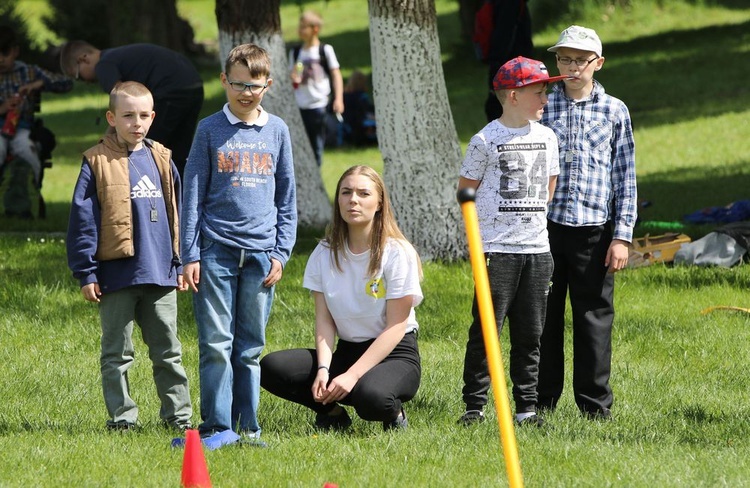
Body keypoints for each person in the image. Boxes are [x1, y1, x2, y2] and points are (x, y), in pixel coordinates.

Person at [181, 44, 297, 445]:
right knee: (216, 343)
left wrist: (281, 251)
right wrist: (189, 255)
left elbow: (287, 197)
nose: (245, 92)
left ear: (269, 84)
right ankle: (216, 427)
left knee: (250, 347)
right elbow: (192, 194)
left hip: (262, 256)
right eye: (237, 84)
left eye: (254, 85)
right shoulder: (209, 129)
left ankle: (247, 428)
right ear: (224, 82)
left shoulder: (278, 131)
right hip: (215, 251)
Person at [66, 81, 192, 432]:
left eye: (142, 115)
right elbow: (83, 221)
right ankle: (122, 419)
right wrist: (86, 272)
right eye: (127, 115)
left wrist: (179, 262)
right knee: (117, 354)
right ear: (112, 117)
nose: (136, 123)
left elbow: (178, 214)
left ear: (152, 117)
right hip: (117, 275)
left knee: (168, 351)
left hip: (160, 273)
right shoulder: (97, 162)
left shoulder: (163, 158)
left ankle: (178, 417)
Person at [261, 165, 423, 431]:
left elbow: (396, 326)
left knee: (370, 397)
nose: (353, 200)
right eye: (346, 193)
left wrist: (353, 375)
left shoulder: (397, 252)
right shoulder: (324, 252)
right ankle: (333, 415)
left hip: (394, 353)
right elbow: (324, 322)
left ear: (379, 202)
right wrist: (324, 369)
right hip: (347, 350)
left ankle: (394, 416)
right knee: (271, 367)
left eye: (363, 193)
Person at [457, 56, 567, 427]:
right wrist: (479, 242)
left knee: (531, 333)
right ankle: (474, 406)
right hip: (496, 250)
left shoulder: (547, 137)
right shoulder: (485, 140)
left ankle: (527, 409)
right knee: (488, 329)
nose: (545, 100)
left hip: (537, 251)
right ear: (514, 95)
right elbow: (466, 192)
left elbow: (549, 188)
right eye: (539, 92)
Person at [537, 25, 637, 420]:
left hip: (595, 230)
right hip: (545, 228)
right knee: (542, 317)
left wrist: (622, 237)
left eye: (581, 60)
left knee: (593, 317)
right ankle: (538, 403)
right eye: (564, 59)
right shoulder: (543, 106)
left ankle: (594, 407)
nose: (572, 67)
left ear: (598, 63)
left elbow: (624, 177)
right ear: (555, 61)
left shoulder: (615, 110)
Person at [58, 41, 204, 176]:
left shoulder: (103, 64)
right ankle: (181, 199)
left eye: (78, 76)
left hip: (169, 92)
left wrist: (106, 139)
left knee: (144, 150)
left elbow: (122, 101)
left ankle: (145, 198)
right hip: (194, 86)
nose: (84, 81)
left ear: (84, 59)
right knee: (177, 153)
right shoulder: (116, 56)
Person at [0, 26, 72, 184]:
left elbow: (66, 82)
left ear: (15, 51)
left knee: (28, 150)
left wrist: (39, 83)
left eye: (5, 53)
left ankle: (30, 193)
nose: (1, 59)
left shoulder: (28, 72)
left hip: (22, 129)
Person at [289, 10, 344, 167]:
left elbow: (336, 75)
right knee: (300, 144)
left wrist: (339, 99)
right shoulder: (295, 52)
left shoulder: (325, 50)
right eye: (299, 26)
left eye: (304, 27)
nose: (300, 30)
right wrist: (293, 78)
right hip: (300, 104)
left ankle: (316, 171)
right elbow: (292, 76)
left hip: (318, 103)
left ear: (315, 29)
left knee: (316, 144)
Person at [483, 0, 533, 122]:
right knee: (502, 105)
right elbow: (504, 32)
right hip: (510, 64)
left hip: (505, 61)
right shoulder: (510, 3)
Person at [342, 70, 376, 146]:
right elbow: (366, 111)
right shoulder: (361, 97)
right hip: (359, 125)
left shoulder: (344, 96)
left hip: (347, 124)